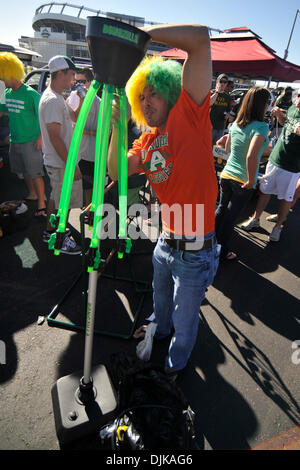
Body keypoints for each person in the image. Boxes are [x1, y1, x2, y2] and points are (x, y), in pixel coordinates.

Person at [108, 24, 220, 380]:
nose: (146, 102)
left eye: (153, 94)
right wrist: (116, 125)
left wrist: (135, 35)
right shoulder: (147, 139)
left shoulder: (190, 114)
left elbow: (200, 41)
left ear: (171, 94)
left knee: (186, 320)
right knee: (161, 304)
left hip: (195, 250)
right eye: (141, 96)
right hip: (164, 242)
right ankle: (160, 327)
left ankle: (174, 367)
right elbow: (116, 171)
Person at [215, 87, 271, 260]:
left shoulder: (235, 123)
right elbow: (251, 156)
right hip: (242, 179)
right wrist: (252, 179)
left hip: (226, 174)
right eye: (268, 103)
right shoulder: (261, 127)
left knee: (221, 210)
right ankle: (222, 252)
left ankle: (208, 244)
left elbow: (228, 148)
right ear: (263, 105)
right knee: (230, 218)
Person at [241, 89, 300, 242]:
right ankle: (255, 219)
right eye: (299, 96)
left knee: (287, 199)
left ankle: (278, 227)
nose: (299, 100)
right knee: (265, 191)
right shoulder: (293, 108)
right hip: (275, 159)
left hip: (293, 165)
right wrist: (280, 116)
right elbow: (284, 124)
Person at [39, 55, 83, 254]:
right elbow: (55, 137)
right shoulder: (52, 101)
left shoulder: (58, 98)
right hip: (60, 163)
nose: (73, 79)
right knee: (61, 202)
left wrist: (82, 98)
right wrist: (71, 165)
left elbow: (75, 116)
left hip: (58, 161)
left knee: (55, 199)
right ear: (59, 74)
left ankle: (50, 232)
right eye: (71, 75)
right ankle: (59, 238)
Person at [0, 52, 46, 216]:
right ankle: (32, 193)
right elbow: (4, 112)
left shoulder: (31, 94)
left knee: (36, 173)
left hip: (31, 140)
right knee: (25, 170)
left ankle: (41, 203)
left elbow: (44, 117)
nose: (3, 81)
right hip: (15, 140)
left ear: (12, 74)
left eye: (4, 77)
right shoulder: (7, 94)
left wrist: (41, 138)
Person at [66, 68, 100, 207]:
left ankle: (89, 211)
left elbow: (105, 131)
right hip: (75, 150)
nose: (79, 85)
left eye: (82, 82)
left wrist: (84, 131)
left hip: (91, 152)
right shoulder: (74, 96)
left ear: (91, 82)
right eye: (76, 81)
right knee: (75, 186)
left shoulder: (99, 101)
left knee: (89, 185)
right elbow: (69, 120)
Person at [210, 73, 233, 145]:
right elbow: (209, 103)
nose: (222, 84)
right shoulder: (211, 92)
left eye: (225, 82)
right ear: (217, 82)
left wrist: (228, 115)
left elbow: (228, 111)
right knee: (206, 147)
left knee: (216, 149)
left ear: (226, 84)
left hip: (220, 127)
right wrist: (217, 92)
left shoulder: (227, 97)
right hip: (209, 126)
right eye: (221, 81)